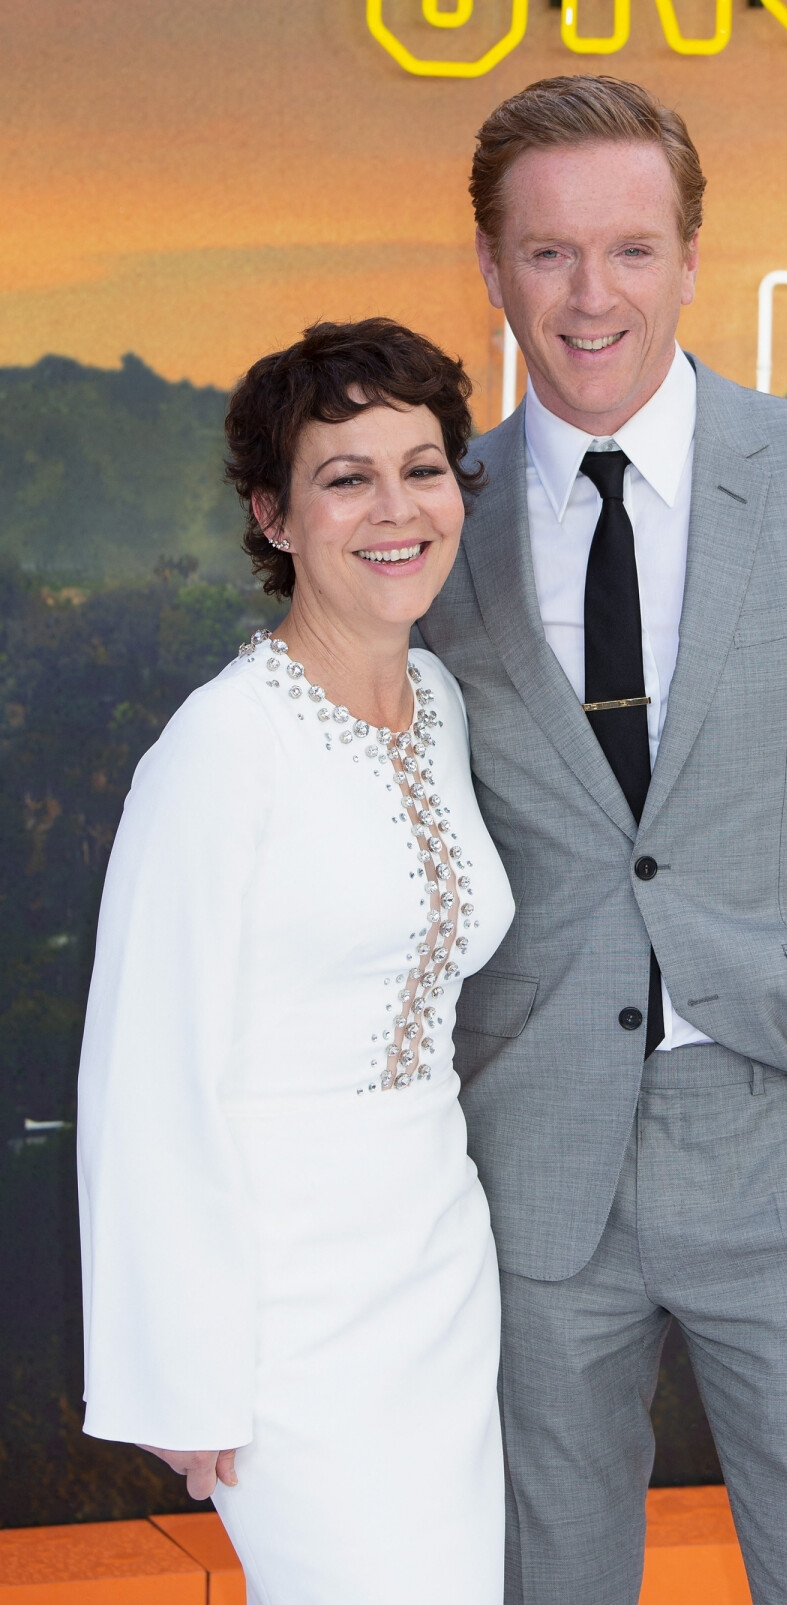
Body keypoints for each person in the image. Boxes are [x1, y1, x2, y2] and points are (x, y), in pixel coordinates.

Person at [418, 77, 787, 1605]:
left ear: (690, 257)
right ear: (490, 267)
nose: (589, 293)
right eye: (547, 253)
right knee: (548, 1582)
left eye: (628, 248)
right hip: (529, 1159)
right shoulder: (433, 517)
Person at [76, 319, 514, 1604]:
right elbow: (146, 1072)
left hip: (439, 1275)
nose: (397, 508)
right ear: (273, 515)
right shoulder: (222, 749)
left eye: (423, 468)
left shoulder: (442, 705)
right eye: (345, 476)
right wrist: (179, 1372)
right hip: (286, 1316)